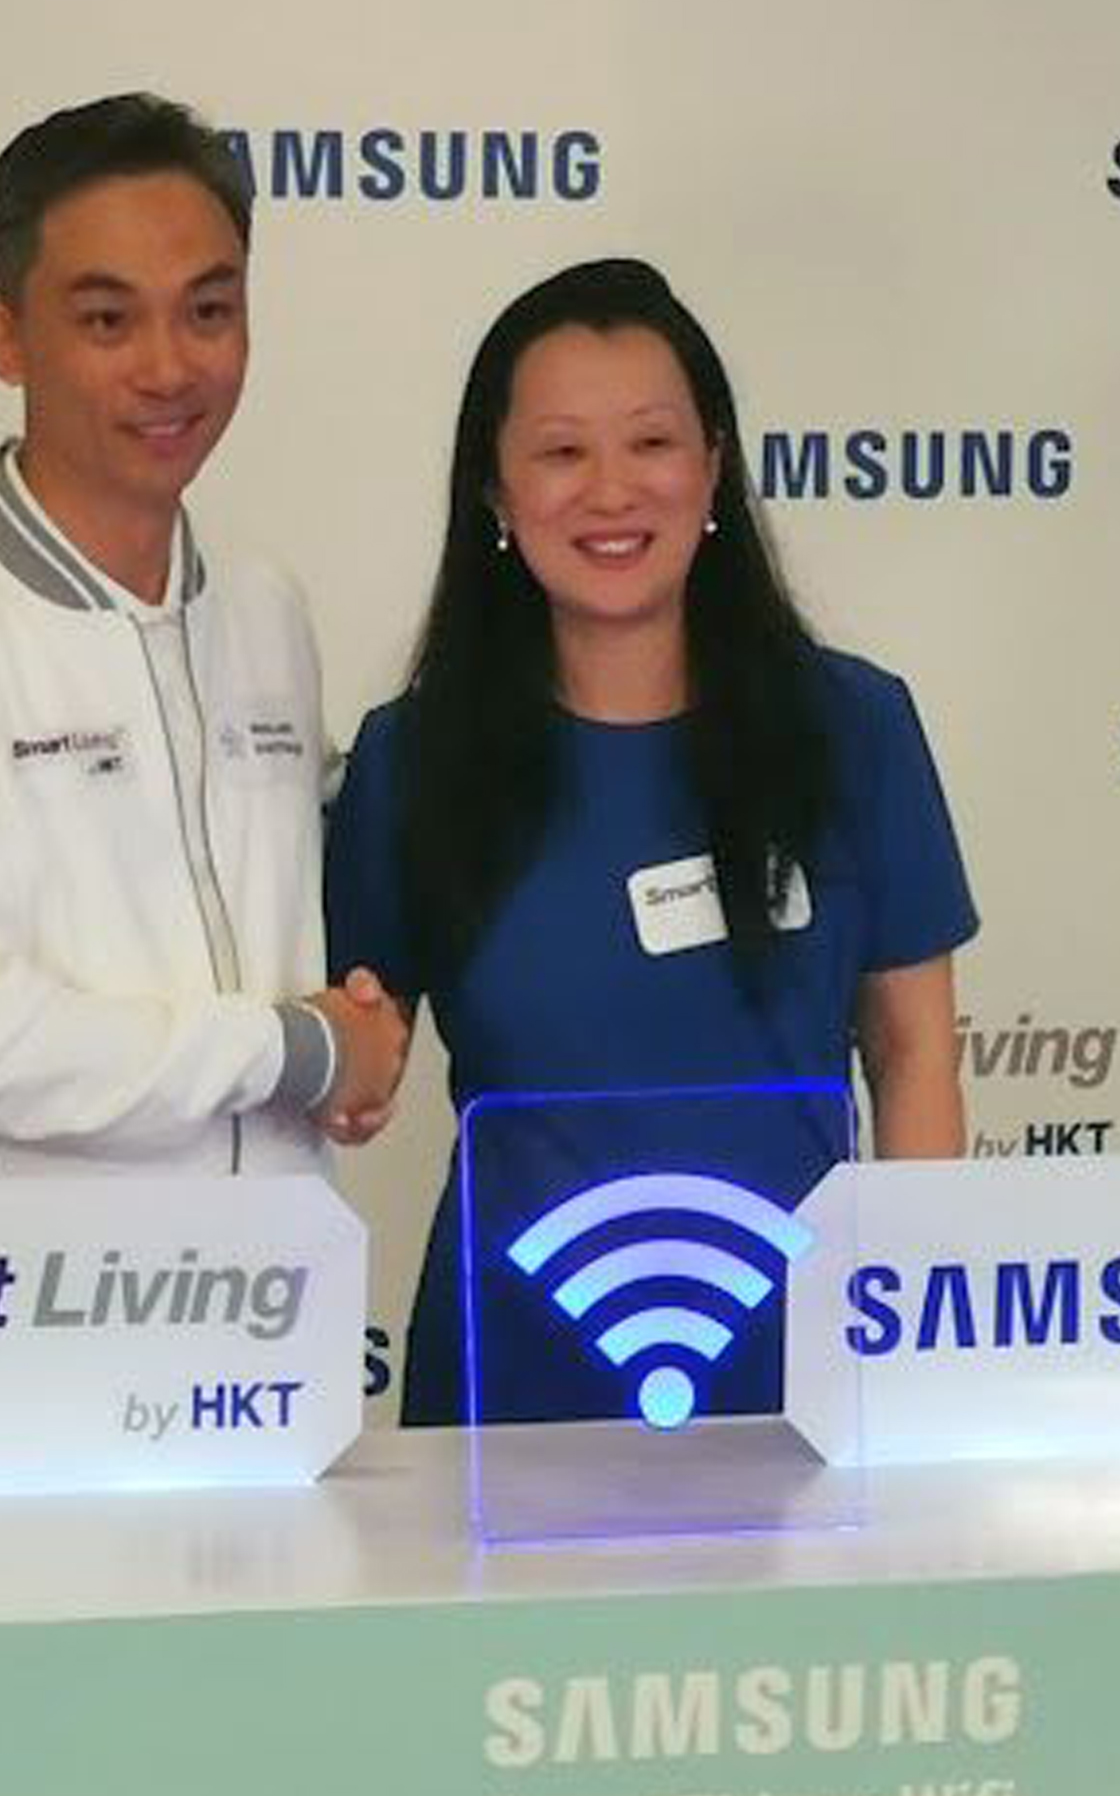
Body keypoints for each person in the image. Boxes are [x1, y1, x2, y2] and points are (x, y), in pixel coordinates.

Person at [325, 258, 975, 1425]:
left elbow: (915, 1050)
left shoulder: (854, 728)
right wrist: (334, 1063)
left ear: (713, 467)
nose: (612, 491)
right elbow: (360, 1050)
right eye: (562, 452)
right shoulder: (411, 759)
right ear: (495, 491)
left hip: (805, 1378)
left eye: (653, 444)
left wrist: (922, 1335)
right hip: (511, 1385)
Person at [0, 93, 405, 1182]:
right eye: (108, 322)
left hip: (267, 1274)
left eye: (208, 311)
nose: (168, 368)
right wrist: (296, 1050)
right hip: (9, 1281)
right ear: (6, 338)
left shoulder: (264, 607)